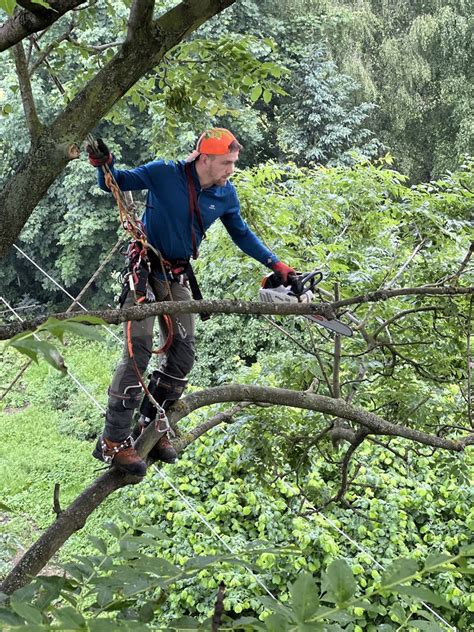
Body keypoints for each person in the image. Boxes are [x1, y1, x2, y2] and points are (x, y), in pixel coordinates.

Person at [87, 128, 294, 476]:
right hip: (145, 271)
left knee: (183, 352)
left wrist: (276, 264)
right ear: (205, 158)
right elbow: (114, 182)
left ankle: (152, 425)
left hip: (177, 275)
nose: (231, 170)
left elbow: (241, 233)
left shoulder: (226, 195)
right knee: (138, 347)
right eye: (227, 163)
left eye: (233, 163)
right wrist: (102, 164)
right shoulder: (164, 173)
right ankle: (113, 440)